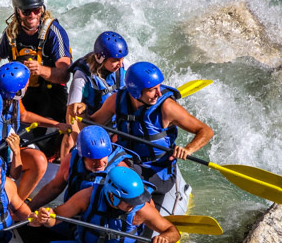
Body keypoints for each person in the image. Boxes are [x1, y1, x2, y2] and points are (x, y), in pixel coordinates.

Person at [26, 166, 180, 243]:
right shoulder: (87, 196)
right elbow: (57, 216)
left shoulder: (141, 210)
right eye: (128, 202)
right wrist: (46, 218)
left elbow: (173, 232)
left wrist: (165, 238)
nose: (133, 205)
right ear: (112, 196)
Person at [88, 61, 214, 195]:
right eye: (152, 89)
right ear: (136, 91)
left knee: (114, 168)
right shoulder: (116, 101)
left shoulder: (167, 107)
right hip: (128, 160)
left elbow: (206, 131)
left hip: (157, 171)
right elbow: (92, 123)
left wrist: (188, 149)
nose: (158, 94)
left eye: (159, 87)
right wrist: (80, 112)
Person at [29, 125, 136, 211]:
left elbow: (138, 200)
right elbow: (54, 187)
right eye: (94, 159)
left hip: (103, 223)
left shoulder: (120, 168)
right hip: (72, 214)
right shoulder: (72, 159)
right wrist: (29, 209)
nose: (100, 164)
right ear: (83, 156)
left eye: (103, 158)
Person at [61, 31, 129, 156]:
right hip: (90, 123)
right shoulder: (81, 75)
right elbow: (71, 114)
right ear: (100, 58)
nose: (120, 64)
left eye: (122, 59)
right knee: (69, 141)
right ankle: (67, 171)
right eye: (115, 60)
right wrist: (78, 140)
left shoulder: (120, 68)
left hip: (114, 123)